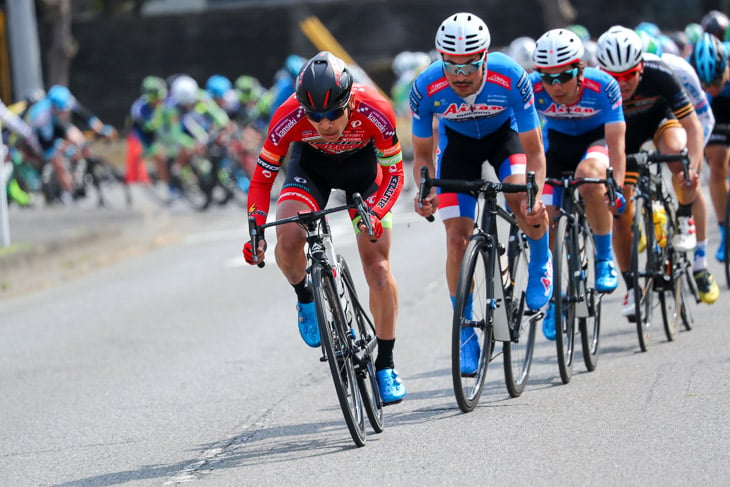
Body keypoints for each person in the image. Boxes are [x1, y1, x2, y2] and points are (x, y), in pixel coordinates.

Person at [242, 51, 407, 405]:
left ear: (349, 100)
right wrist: (255, 228)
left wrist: (377, 210)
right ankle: (305, 297)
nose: (325, 124)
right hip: (311, 170)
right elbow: (261, 181)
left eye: (333, 113)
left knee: (378, 268)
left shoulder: (376, 108)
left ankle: (386, 366)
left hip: (364, 174)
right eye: (315, 116)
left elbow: (395, 173)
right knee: (287, 239)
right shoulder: (288, 116)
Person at [411, 12, 552, 372]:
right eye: (451, 66)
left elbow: (534, 151)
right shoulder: (426, 87)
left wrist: (534, 193)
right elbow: (424, 156)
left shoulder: (511, 76)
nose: (459, 76)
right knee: (456, 239)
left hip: (505, 140)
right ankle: (466, 334)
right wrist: (425, 190)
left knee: (521, 199)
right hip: (456, 149)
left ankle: (540, 261)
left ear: (485, 58)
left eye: (469, 66)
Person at [595, 26, 718, 314]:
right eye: (615, 77)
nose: (622, 84)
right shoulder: (597, 84)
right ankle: (633, 290)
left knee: (679, 156)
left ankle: (685, 218)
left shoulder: (661, 72)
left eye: (629, 75)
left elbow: (694, 126)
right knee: (620, 212)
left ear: (641, 65)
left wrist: (693, 169)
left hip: (660, 123)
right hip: (623, 136)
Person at [530, 28, 627, 340]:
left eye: (564, 76)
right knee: (545, 215)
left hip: (595, 142)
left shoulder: (604, 86)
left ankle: (602, 257)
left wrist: (618, 188)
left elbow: (617, 146)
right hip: (556, 146)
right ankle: (557, 298)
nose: (556, 86)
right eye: (548, 78)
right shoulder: (531, 89)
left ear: (580, 70)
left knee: (590, 177)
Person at [638, 30, 717, 289]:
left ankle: (701, 264)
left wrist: (693, 161)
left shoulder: (678, 70)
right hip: (638, 120)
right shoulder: (622, 79)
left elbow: (704, 119)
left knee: (685, 173)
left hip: (673, 118)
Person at [25, 84, 115, 201]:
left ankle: (82, 170)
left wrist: (101, 128)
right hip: (41, 137)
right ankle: (68, 190)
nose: (66, 111)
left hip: (57, 123)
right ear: (55, 106)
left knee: (80, 140)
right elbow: (49, 141)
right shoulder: (41, 116)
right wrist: (65, 148)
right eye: (63, 110)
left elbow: (83, 114)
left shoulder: (65, 100)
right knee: (58, 162)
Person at [689, 33, 730, 267]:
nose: (712, 88)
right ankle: (725, 232)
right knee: (716, 162)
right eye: (706, 84)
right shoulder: (691, 74)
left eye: (716, 82)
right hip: (717, 112)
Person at [129, 76, 169, 188]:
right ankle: (168, 185)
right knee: (160, 154)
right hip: (145, 141)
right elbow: (147, 129)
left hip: (164, 137)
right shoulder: (139, 108)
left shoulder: (164, 104)